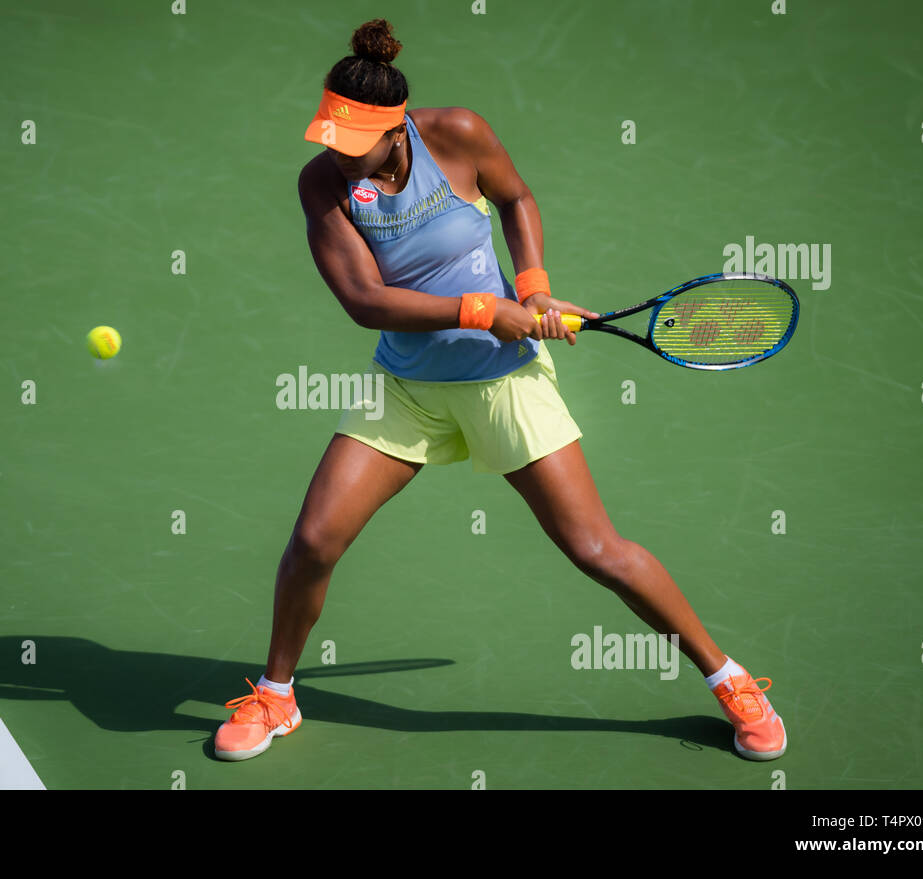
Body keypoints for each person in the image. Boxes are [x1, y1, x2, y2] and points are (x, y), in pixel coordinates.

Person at [213, 19, 785, 765]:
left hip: (503, 382)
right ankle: (277, 693)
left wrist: (533, 284)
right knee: (314, 541)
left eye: (356, 141)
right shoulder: (323, 183)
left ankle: (732, 679)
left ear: (397, 131)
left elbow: (516, 200)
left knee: (597, 549)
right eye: (332, 136)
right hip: (409, 389)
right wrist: (484, 309)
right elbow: (363, 299)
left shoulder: (457, 134)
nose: (338, 152)